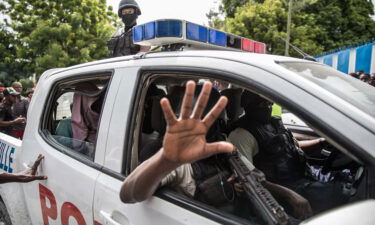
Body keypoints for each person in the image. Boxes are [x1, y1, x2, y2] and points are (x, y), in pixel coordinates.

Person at [120, 81, 313, 220]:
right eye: (185, 119)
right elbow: (129, 194)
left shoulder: (222, 144)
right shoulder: (175, 162)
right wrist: (166, 159)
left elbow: (252, 176)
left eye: (208, 119)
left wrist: (287, 194)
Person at [228, 90, 353, 214]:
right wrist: (290, 195)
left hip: (305, 175)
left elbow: (295, 147)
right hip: (286, 190)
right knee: (344, 195)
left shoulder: (274, 124)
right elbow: (249, 178)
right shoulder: (241, 135)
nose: (268, 107)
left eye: (269, 103)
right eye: (262, 104)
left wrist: (322, 142)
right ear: (249, 106)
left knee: (347, 179)